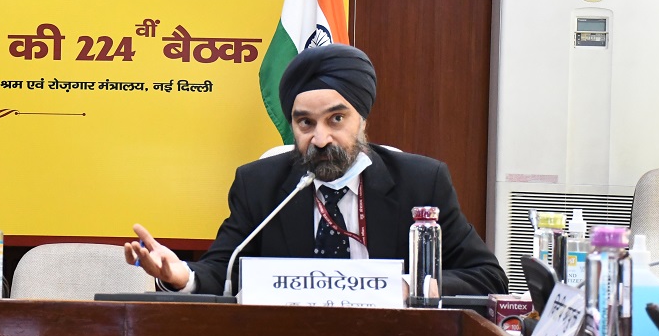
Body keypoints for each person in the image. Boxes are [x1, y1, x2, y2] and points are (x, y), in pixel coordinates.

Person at [124, 44, 508, 297]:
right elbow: (224, 269)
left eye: (336, 119)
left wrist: (406, 286)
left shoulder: (420, 182)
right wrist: (181, 276)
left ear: (362, 119)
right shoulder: (260, 185)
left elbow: (487, 276)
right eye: (305, 123)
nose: (320, 139)